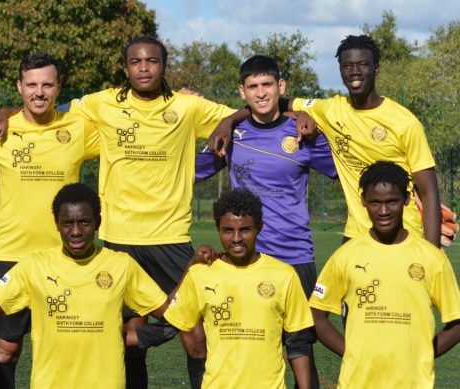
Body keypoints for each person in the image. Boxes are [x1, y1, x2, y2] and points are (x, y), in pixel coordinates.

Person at [0, 36, 234, 388]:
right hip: (116, 237)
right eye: (136, 62)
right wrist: (4, 112)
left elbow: (245, 118)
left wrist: (210, 154)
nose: (144, 67)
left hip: (171, 235)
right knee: (126, 341)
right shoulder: (100, 104)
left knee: (196, 337)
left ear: (165, 66)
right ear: (125, 67)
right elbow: (41, 106)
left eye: (152, 61)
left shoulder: (186, 107)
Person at [210, 35, 441, 247]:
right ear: (340, 71)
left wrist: (432, 254)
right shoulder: (330, 110)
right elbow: (272, 103)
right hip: (356, 235)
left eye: (362, 64)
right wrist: (229, 121)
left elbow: (430, 192)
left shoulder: (405, 122)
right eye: (348, 66)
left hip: (404, 234)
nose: (355, 72)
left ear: (376, 69)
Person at [195, 55, 335, 387]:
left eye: (267, 85)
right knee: (246, 343)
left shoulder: (304, 132)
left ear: (281, 87)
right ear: (242, 92)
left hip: (295, 255)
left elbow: (346, 172)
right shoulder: (232, 134)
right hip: (245, 260)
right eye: (253, 87)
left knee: (301, 348)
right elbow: (190, 171)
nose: (261, 93)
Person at [0, 183, 168, 388]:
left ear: (97, 223)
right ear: (57, 225)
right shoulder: (35, 266)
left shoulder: (121, 265)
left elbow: (173, 314)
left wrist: (141, 337)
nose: (76, 231)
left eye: (84, 222)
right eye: (68, 223)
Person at [0, 52, 100, 388]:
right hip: (11, 254)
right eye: (31, 84)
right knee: (5, 349)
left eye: (47, 84)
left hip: (67, 258)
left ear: (59, 87)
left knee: (69, 348)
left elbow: (126, 134)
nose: (39, 92)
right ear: (19, 87)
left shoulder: (77, 127)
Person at [309, 161, 460, 388]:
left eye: (392, 201)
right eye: (375, 202)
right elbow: (316, 316)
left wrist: (425, 352)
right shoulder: (346, 256)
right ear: (363, 201)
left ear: (407, 200)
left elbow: (457, 321)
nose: (383, 211)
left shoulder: (431, 258)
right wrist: (352, 352)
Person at [165, 188, 315, 388]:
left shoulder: (284, 275)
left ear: (259, 228)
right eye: (228, 230)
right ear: (218, 229)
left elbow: (298, 345)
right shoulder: (200, 274)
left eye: (245, 229)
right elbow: (179, 321)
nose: (236, 238)